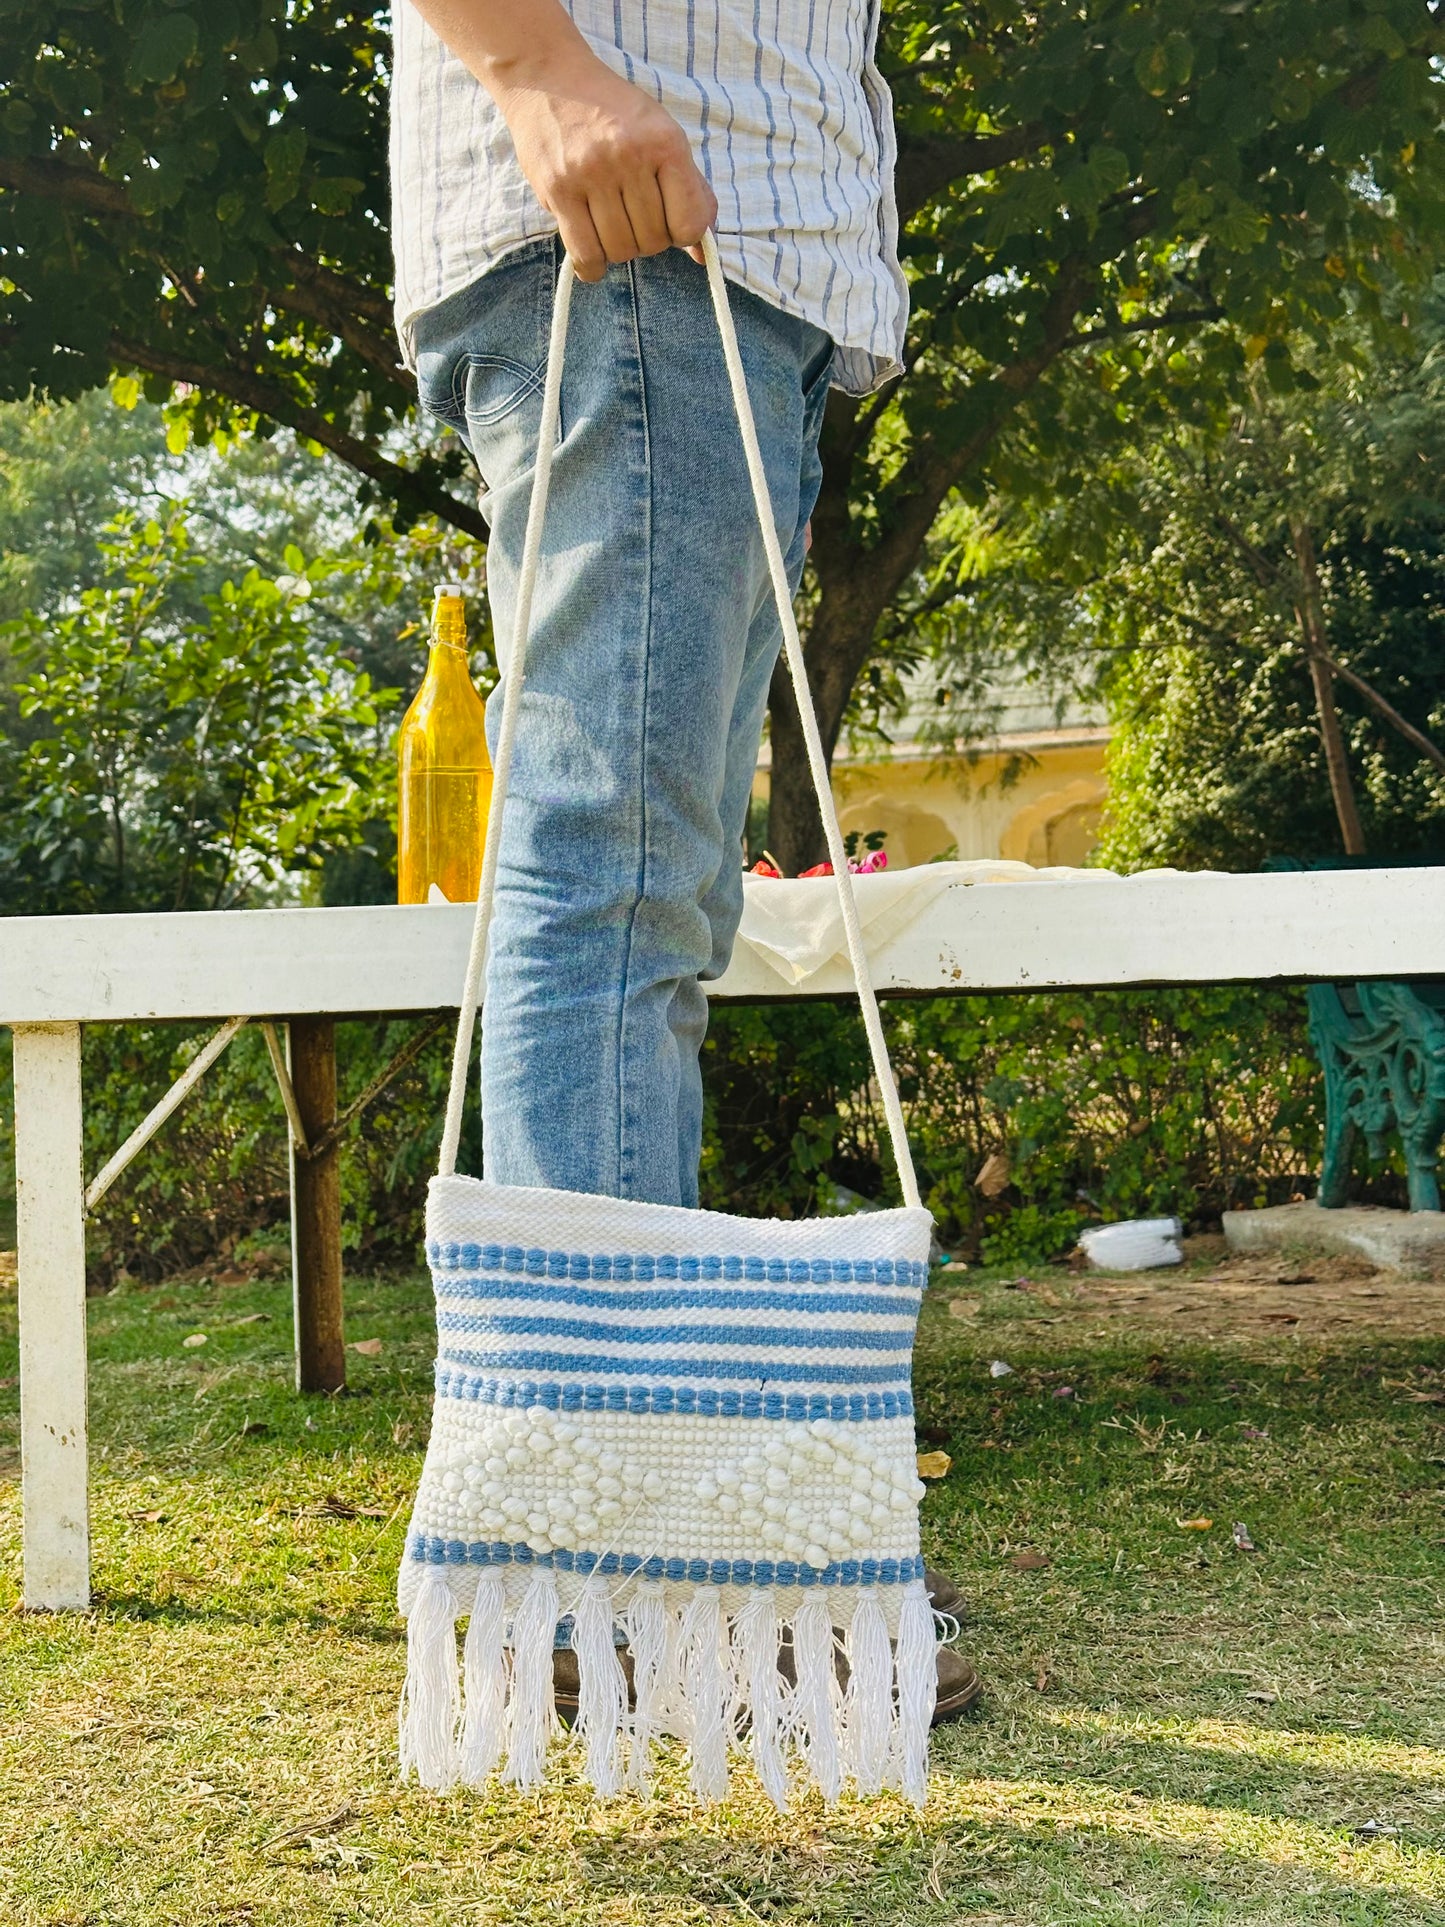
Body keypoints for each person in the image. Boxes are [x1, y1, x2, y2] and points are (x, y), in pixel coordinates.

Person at [390, 0, 980, 1722]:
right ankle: (609, 1573)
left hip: (734, 256)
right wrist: (541, 68)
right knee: (614, 881)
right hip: (639, 221)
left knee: (650, 892)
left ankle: (617, 1549)